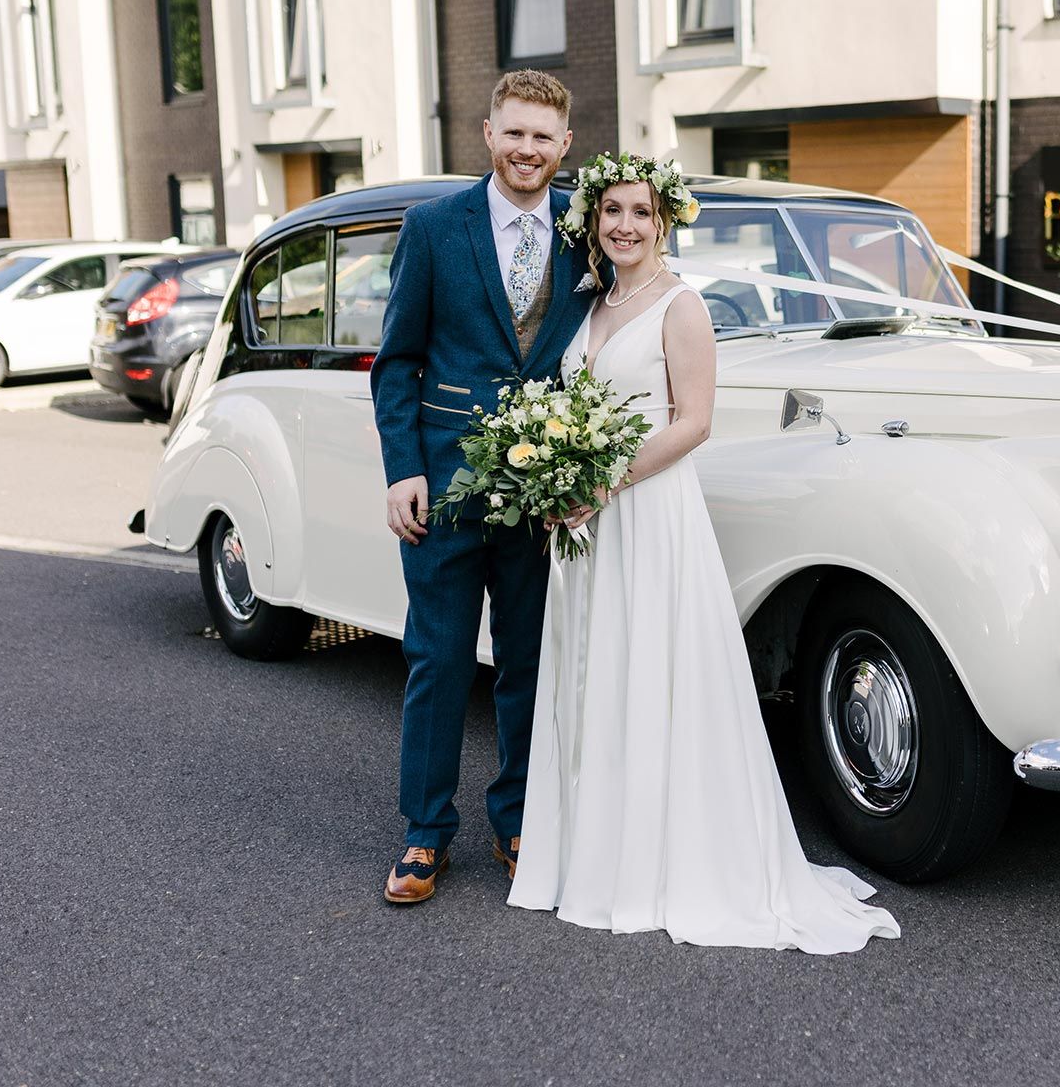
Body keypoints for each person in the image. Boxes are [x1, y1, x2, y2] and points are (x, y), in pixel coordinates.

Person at [507, 153, 901, 954]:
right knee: (596, 674)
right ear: (593, 219)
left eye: (640, 213)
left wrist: (602, 481)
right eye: (611, 210)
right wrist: (554, 479)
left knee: (651, 671)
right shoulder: (589, 303)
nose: (624, 225)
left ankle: (666, 861)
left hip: (648, 512)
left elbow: (693, 423)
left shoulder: (681, 306)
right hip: (589, 523)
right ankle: (598, 857)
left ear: (663, 221)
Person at [372, 70, 592, 904]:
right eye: (514, 133)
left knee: (530, 662)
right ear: (488, 133)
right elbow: (397, 361)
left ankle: (518, 819)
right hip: (447, 485)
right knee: (437, 658)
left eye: (544, 137)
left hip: (543, 493)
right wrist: (404, 470)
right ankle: (425, 833)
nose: (527, 149)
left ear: (565, 146)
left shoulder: (587, 232)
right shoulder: (433, 228)